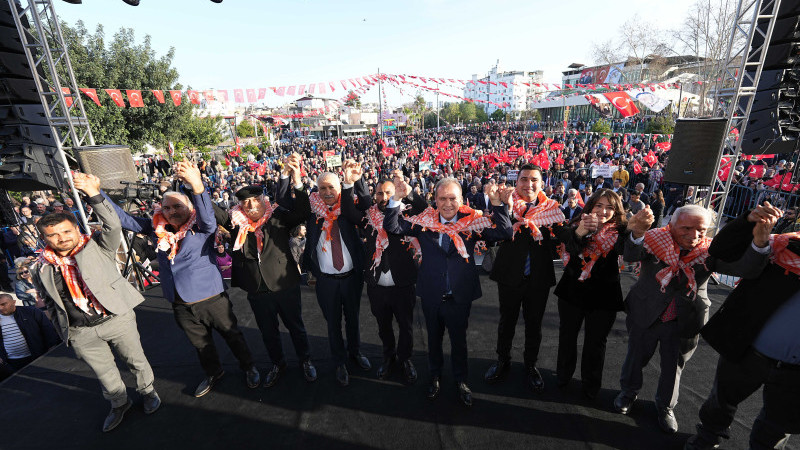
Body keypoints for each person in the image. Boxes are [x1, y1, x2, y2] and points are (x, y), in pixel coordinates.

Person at [107, 160, 260, 398]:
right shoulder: (157, 230)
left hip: (212, 299)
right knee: (200, 344)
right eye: (166, 208)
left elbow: (207, 214)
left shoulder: (202, 227)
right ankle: (214, 372)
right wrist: (95, 195)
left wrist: (196, 184)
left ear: (189, 207)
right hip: (180, 303)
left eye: (177, 206)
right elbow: (125, 220)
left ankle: (249, 367)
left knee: (233, 336)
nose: (172, 211)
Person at [614, 204, 771, 434]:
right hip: (645, 312)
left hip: (685, 319)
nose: (694, 235)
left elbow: (746, 269)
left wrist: (759, 243)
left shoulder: (712, 250)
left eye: (701, 230)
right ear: (671, 225)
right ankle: (627, 393)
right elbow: (630, 256)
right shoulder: (654, 239)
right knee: (635, 357)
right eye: (686, 228)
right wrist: (637, 232)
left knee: (674, 367)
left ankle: (666, 406)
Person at [30, 173, 161, 432]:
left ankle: (148, 392)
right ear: (45, 239)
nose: (62, 238)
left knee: (136, 360)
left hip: (116, 319)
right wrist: (65, 331)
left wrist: (93, 194)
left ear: (76, 230)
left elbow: (112, 224)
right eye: (53, 235)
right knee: (104, 373)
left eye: (66, 231)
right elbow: (48, 301)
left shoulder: (98, 247)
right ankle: (119, 403)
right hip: (81, 332)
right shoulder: (40, 268)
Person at [384, 177, 513, 407]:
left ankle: (461, 380)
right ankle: (434, 377)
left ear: (461, 200)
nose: (448, 204)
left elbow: (504, 232)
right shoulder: (424, 222)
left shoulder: (471, 222)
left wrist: (496, 203)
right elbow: (393, 227)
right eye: (442, 198)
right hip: (432, 295)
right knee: (433, 342)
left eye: (453, 198)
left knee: (459, 342)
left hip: (459, 297)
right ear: (435, 200)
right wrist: (395, 199)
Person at [685, 203, 794, 450]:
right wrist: (750, 224)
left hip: (794, 372)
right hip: (749, 349)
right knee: (721, 401)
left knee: (777, 425)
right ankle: (707, 437)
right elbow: (721, 252)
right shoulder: (788, 246)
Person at [213, 154, 317, 388]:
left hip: (285, 286)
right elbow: (215, 212)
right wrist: (195, 187)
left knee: (296, 327)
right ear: (240, 205)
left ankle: (305, 360)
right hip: (257, 291)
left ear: (263, 200)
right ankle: (278, 364)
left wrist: (297, 181)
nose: (251, 206)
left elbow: (303, 212)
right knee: (268, 333)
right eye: (246, 202)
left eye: (255, 200)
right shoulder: (235, 223)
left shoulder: (276, 217)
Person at [341, 167, 427, 384]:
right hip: (376, 284)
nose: (384, 197)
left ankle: (405, 359)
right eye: (380, 193)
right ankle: (388, 358)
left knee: (406, 326)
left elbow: (426, 209)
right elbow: (348, 211)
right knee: (383, 326)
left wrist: (408, 191)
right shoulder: (368, 217)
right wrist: (349, 183)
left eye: (389, 192)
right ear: (374, 195)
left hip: (403, 283)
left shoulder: (408, 214)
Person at [485, 164, 566, 392]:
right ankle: (503, 360)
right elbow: (494, 232)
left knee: (534, 325)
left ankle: (530, 365)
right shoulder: (503, 203)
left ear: (542, 183)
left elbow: (564, 235)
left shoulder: (551, 209)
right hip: (509, 275)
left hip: (538, 278)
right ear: (516, 181)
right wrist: (502, 207)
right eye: (524, 179)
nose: (528, 184)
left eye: (534, 180)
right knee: (506, 322)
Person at [554, 189, 628, 400]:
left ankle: (591, 384)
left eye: (610, 207)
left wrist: (638, 231)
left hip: (604, 295)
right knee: (567, 336)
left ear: (617, 211)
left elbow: (629, 251)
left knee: (596, 343)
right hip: (572, 290)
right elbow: (569, 245)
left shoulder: (622, 231)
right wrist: (581, 232)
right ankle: (563, 375)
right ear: (590, 206)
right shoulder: (576, 224)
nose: (603, 211)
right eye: (599, 206)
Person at [303, 165, 371, 387]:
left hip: (351, 278)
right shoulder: (312, 212)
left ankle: (355, 352)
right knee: (333, 324)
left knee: (353, 319)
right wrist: (292, 178)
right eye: (322, 188)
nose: (327, 192)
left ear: (340, 188)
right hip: (326, 281)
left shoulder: (348, 209)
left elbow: (367, 205)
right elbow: (290, 203)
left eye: (331, 187)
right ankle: (339, 362)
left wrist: (356, 180)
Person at [0, 293, 60, 380]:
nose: (0, 308)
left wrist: (52, 349)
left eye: (3, 304)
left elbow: (48, 330)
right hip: (12, 362)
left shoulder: (31, 312)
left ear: (14, 302)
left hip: (37, 357)